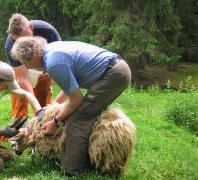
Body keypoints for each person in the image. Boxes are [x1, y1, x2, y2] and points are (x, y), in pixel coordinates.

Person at [11, 37, 131, 176]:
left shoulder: (53, 63)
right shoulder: (51, 50)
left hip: (113, 74)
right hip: (115, 69)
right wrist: (55, 105)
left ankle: (71, 171)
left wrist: (55, 122)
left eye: (26, 62)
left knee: (78, 118)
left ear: (32, 56)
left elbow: (76, 99)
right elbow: (71, 87)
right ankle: (90, 157)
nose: (28, 67)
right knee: (89, 113)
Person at [5, 13, 61, 121]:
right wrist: (35, 106)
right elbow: (22, 76)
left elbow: (60, 58)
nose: (22, 44)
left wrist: (40, 109)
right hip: (23, 71)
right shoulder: (10, 44)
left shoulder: (48, 31)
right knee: (17, 88)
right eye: (18, 41)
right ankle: (19, 127)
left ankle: (45, 120)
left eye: (24, 39)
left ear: (31, 28)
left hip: (44, 69)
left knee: (43, 91)